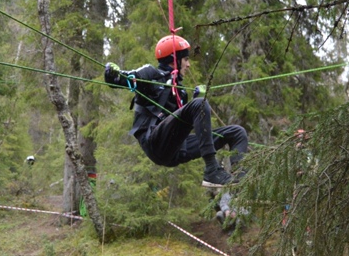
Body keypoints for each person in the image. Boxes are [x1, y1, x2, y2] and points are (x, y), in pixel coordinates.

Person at [104, 34, 248, 188]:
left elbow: (185, 127)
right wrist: (111, 73)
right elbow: (123, 79)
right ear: (174, 59)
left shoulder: (181, 92)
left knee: (237, 133)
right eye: (186, 59)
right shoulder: (151, 74)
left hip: (177, 148)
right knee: (199, 104)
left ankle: (242, 182)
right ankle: (212, 169)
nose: (189, 65)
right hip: (155, 142)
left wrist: (195, 100)